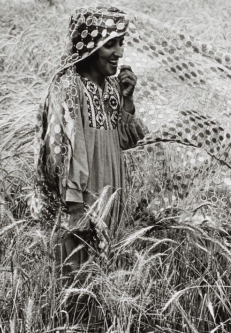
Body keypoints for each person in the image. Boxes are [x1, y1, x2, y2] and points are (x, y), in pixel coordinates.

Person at [35, 5, 147, 272]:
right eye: (110, 45)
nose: (119, 53)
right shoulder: (69, 87)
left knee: (107, 274)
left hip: (110, 190)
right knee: (79, 276)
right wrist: (76, 209)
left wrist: (127, 102)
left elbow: (127, 142)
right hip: (83, 200)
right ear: (89, 45)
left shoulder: (111, 87)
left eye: (121, 43)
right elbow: (61, 152)